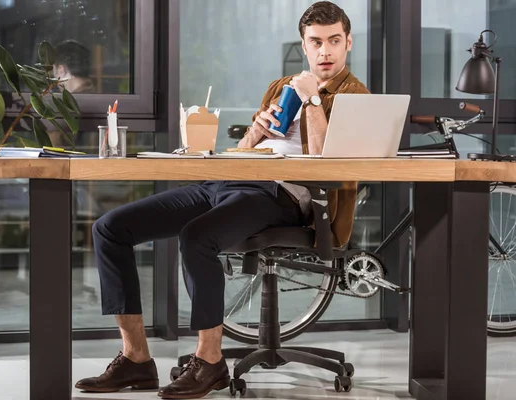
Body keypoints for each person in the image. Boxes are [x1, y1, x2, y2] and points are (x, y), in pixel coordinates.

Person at [75, 2, 369, 399]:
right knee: (110, 228)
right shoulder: (282, 84)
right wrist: (255, 133)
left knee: (197, 237)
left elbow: (325, 165)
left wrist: (313, 99)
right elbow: (246, 149)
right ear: (304, 45)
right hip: (234, 179)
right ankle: (136, 359)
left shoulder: (355, 95)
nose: (325, 52)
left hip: (284, 194)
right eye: (315, 42)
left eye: (334, 41)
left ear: (348, 42)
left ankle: (210, 362)